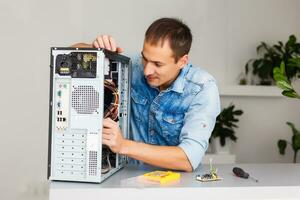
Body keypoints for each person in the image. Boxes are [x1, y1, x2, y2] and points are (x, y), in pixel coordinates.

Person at [73, 18, 220, 172]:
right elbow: (67, 54)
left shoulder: (202, 88)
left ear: (182, 61)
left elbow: (188, 159)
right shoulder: (133, 65)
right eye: (145, 58)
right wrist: (95, 49)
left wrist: (123, 145)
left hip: (176, 184)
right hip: (127, 178)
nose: (147, 71)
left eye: (158, 64)